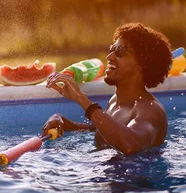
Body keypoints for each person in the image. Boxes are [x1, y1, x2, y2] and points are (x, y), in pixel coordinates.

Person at [42, 23, 173, 155]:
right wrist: (65, 122)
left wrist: (80, 98)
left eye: (120, 51)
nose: (109, 57)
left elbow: (131, 145)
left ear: (141, 65)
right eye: (112, 49)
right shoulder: (115, 101)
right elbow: (105, 129)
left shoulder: (150, 110)